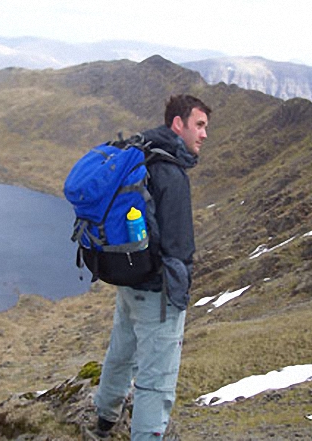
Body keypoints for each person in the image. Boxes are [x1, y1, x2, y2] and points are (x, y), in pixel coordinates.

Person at [92, 94, 211, 440]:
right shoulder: (171, 173)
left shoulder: (141, 153)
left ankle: (104, 420)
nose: (204, 135)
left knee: (121, 352)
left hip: (129, 279)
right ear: (178, 124)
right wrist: (179, 292)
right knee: (156, 381)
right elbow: (177, 245)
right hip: (156, 292)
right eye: (199, 125)